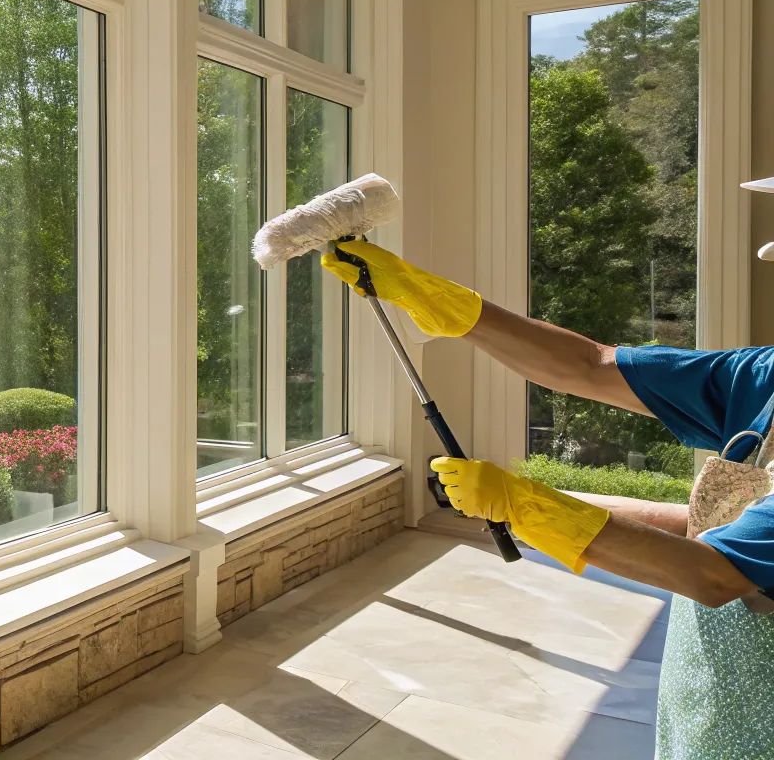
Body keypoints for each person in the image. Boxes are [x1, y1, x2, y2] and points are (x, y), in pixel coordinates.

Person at [319, 240, 773, 759]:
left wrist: (528, 506)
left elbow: (715, 573)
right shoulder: (766, 377)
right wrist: (450, 306)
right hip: (713, 692)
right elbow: (592, 365)